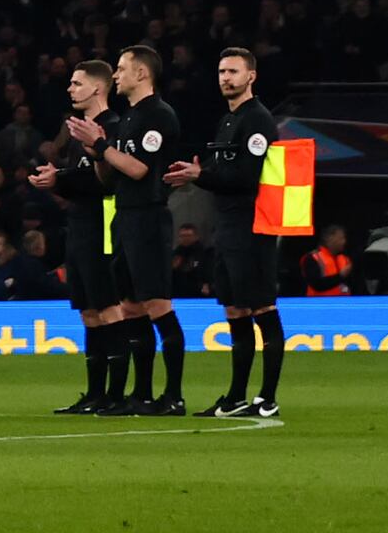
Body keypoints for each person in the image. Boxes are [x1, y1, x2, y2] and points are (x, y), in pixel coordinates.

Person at [194, 47, 295, 426]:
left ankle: (267, 397)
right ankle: (237, 396)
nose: (225, 78)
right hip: (228, 228)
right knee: (234, 310)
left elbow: (245, 178)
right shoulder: (227, 120)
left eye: (233, 71)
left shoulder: (257, 120)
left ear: (251, 76)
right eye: (221, 71)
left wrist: (198, 176)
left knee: (262, 308)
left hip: (254, 228)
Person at [99, 47, 190, 413]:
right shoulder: (128, 118)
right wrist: (96, 149)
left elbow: (139, 169)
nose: (116, 75)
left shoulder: (159, 115)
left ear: (141, 73)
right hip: (124, 216)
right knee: (131, 307)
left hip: (149, 219)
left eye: (121, 69)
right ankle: (142, 394)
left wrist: (102, 145)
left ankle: (174, 395)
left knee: (156, 304)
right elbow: (112, 175)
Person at [36, 59, 130, 412]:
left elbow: (104, 181)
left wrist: (60, 179)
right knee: (89, 312)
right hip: (77, 227)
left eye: (76, 83)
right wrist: (55, 177)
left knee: (109, 309)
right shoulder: (80, 130)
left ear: (97, 88)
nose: (70, 88)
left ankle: (115, 395)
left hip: (101, 229)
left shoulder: (111, 129)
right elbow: (80, 177)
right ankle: (94, 394)